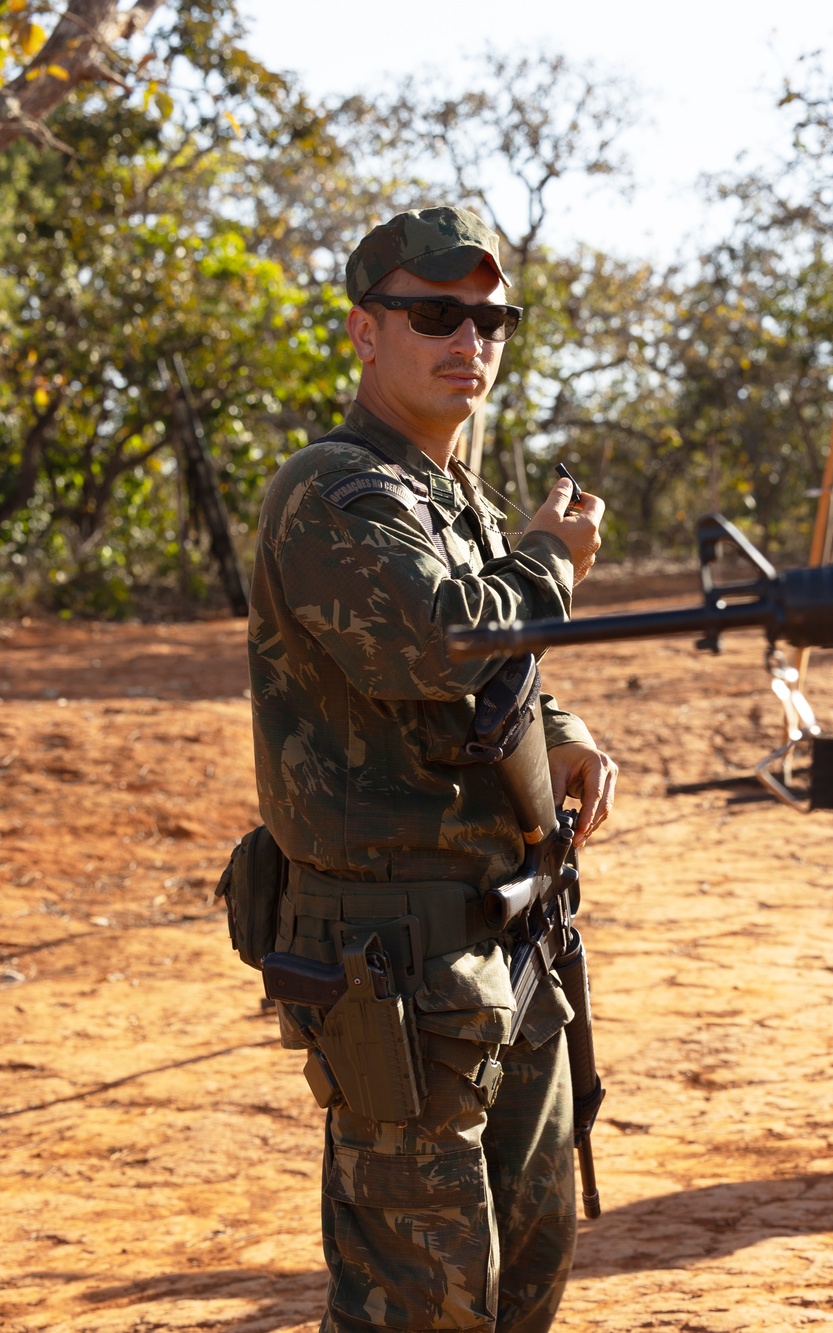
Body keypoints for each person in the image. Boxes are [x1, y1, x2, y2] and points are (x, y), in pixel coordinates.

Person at [248, 206, 618, 1332]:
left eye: (490, 318)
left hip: (507, 935)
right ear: (365, 330)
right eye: (435, 315)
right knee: (420, 1302)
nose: (470, 340)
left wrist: (563, 730)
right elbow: (439, 640)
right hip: (395, 960)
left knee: (529, 1271)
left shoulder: (452, 500)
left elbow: (498, 675)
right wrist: (550, 561)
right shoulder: (333, 489)